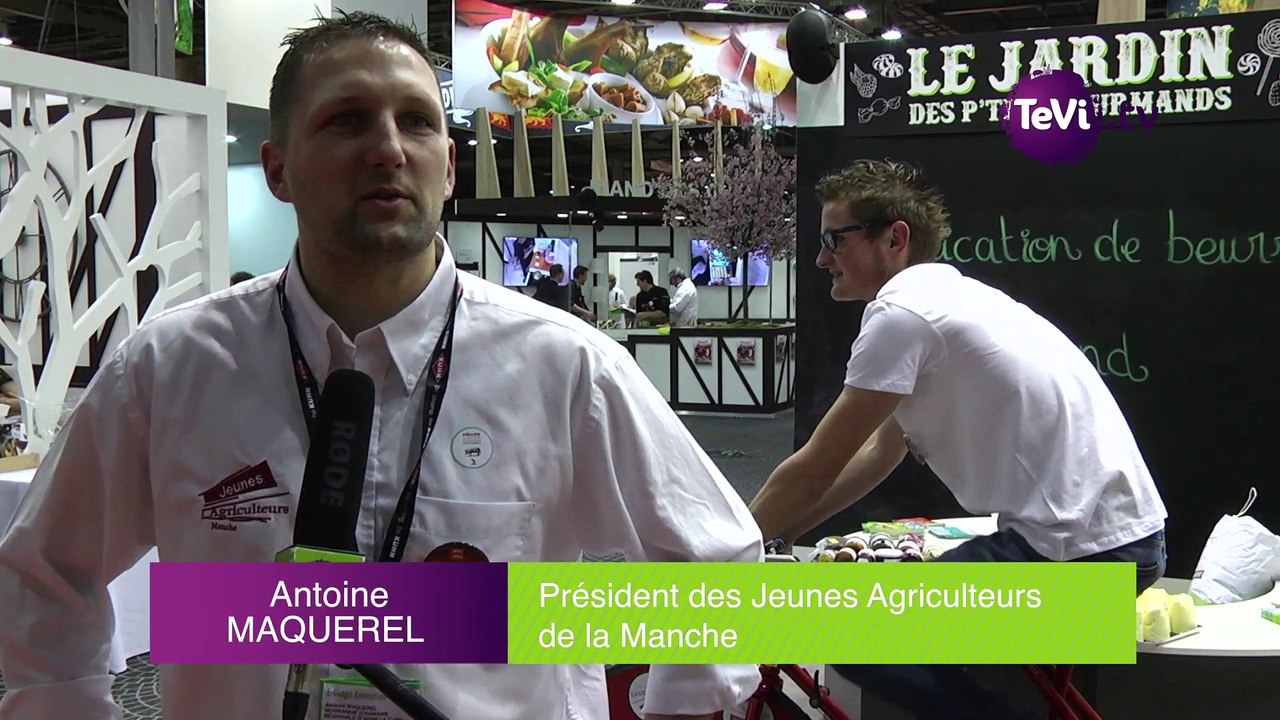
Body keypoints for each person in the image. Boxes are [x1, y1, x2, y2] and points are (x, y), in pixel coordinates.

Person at [0, 12, 764, 720]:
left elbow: (718, 560)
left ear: (450, 168)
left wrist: (681, 703)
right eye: (346, 120)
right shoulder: (172, 371)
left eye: (417, 122)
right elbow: (42, 574)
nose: (389, 148)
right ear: (278, 170)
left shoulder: (563, 367)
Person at [747, 159, 1168, 720]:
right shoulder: (949, 299)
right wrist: (778, 536)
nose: (822, 258)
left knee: (850, 631)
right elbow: (880, 452)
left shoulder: (902, 314)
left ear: (895, 237)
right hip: (1120, 552)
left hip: (1079, 564)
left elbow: (815, 466)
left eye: (834, 239)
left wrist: (731, 546)